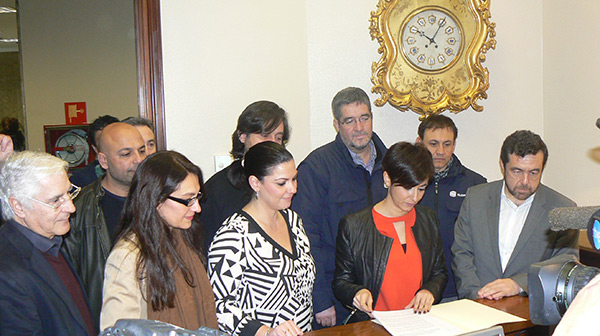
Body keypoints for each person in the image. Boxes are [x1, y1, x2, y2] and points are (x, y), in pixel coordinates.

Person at [291, 87, 387, 327]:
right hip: (337, 295)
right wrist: (320, 298)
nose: (359, 127)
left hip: (386, 294)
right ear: (336, 124)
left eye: (364, 118)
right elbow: (305, 239)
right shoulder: (316, 168)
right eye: (349, 121)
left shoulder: (392, 162)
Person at [452, 130, 579, 300]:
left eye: (534, 172)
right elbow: (462, 252)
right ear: (502, 166)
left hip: (529, 310)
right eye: (517, 171)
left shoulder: (563, 209)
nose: (525, 181)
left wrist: (519, 284)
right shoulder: (476, 198)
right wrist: (475, 296)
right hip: (476, 304)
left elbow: (565, 262)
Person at [100, 151, 218, 331]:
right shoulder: (127, 257)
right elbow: (118, 330)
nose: (197, 207)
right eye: (188, 200)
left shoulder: (182, 236)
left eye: (197, 197)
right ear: (156, 199)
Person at [208, 141, 315, 336]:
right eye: (281, 183)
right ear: (255, 183)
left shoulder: (293, 221)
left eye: (294, 179)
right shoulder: (233, 236)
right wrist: (265, 332)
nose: (293, 189)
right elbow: (218, 306)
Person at [333, 142, 447, 322]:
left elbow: (439, 271)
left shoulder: (427, 219)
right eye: (407, 187)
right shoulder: (354, 225)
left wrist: (430, 290)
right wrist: (357, 292)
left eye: (422, 188)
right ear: (387, 179)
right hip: (375, 324)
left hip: (419, 322)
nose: (415, 197)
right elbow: (341, 281)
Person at [0, 149, 96, 335]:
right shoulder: (7, 274)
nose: (71, 207)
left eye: (69, 193)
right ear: (18, 206)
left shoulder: (51, 241)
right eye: (56, 200)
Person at [63, 122, 147, 329]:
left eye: (142, 150)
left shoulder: (160, 202)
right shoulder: (78, 210)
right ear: (104, 160)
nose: (138, 160)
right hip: (101, 322)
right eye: (126, 154)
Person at [200, 101, 290, 254]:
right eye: (265, 135)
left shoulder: (286, 185)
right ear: (242, 136)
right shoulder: (217, 190)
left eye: (278, 138)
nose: (272, 144)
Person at [416, 114, 486, 301]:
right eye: (433, 144)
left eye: (447, 144)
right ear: (419, 143)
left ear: (454, 145)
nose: (440, 151)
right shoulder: (407, 185)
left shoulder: (476, 185)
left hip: (458, 288)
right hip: (416, 289)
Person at [70, 115, 119, 187]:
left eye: (114, 138)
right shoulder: (81, 179)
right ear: (95, 148)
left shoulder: (136, 169)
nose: (110, 144)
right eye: (103, 141)